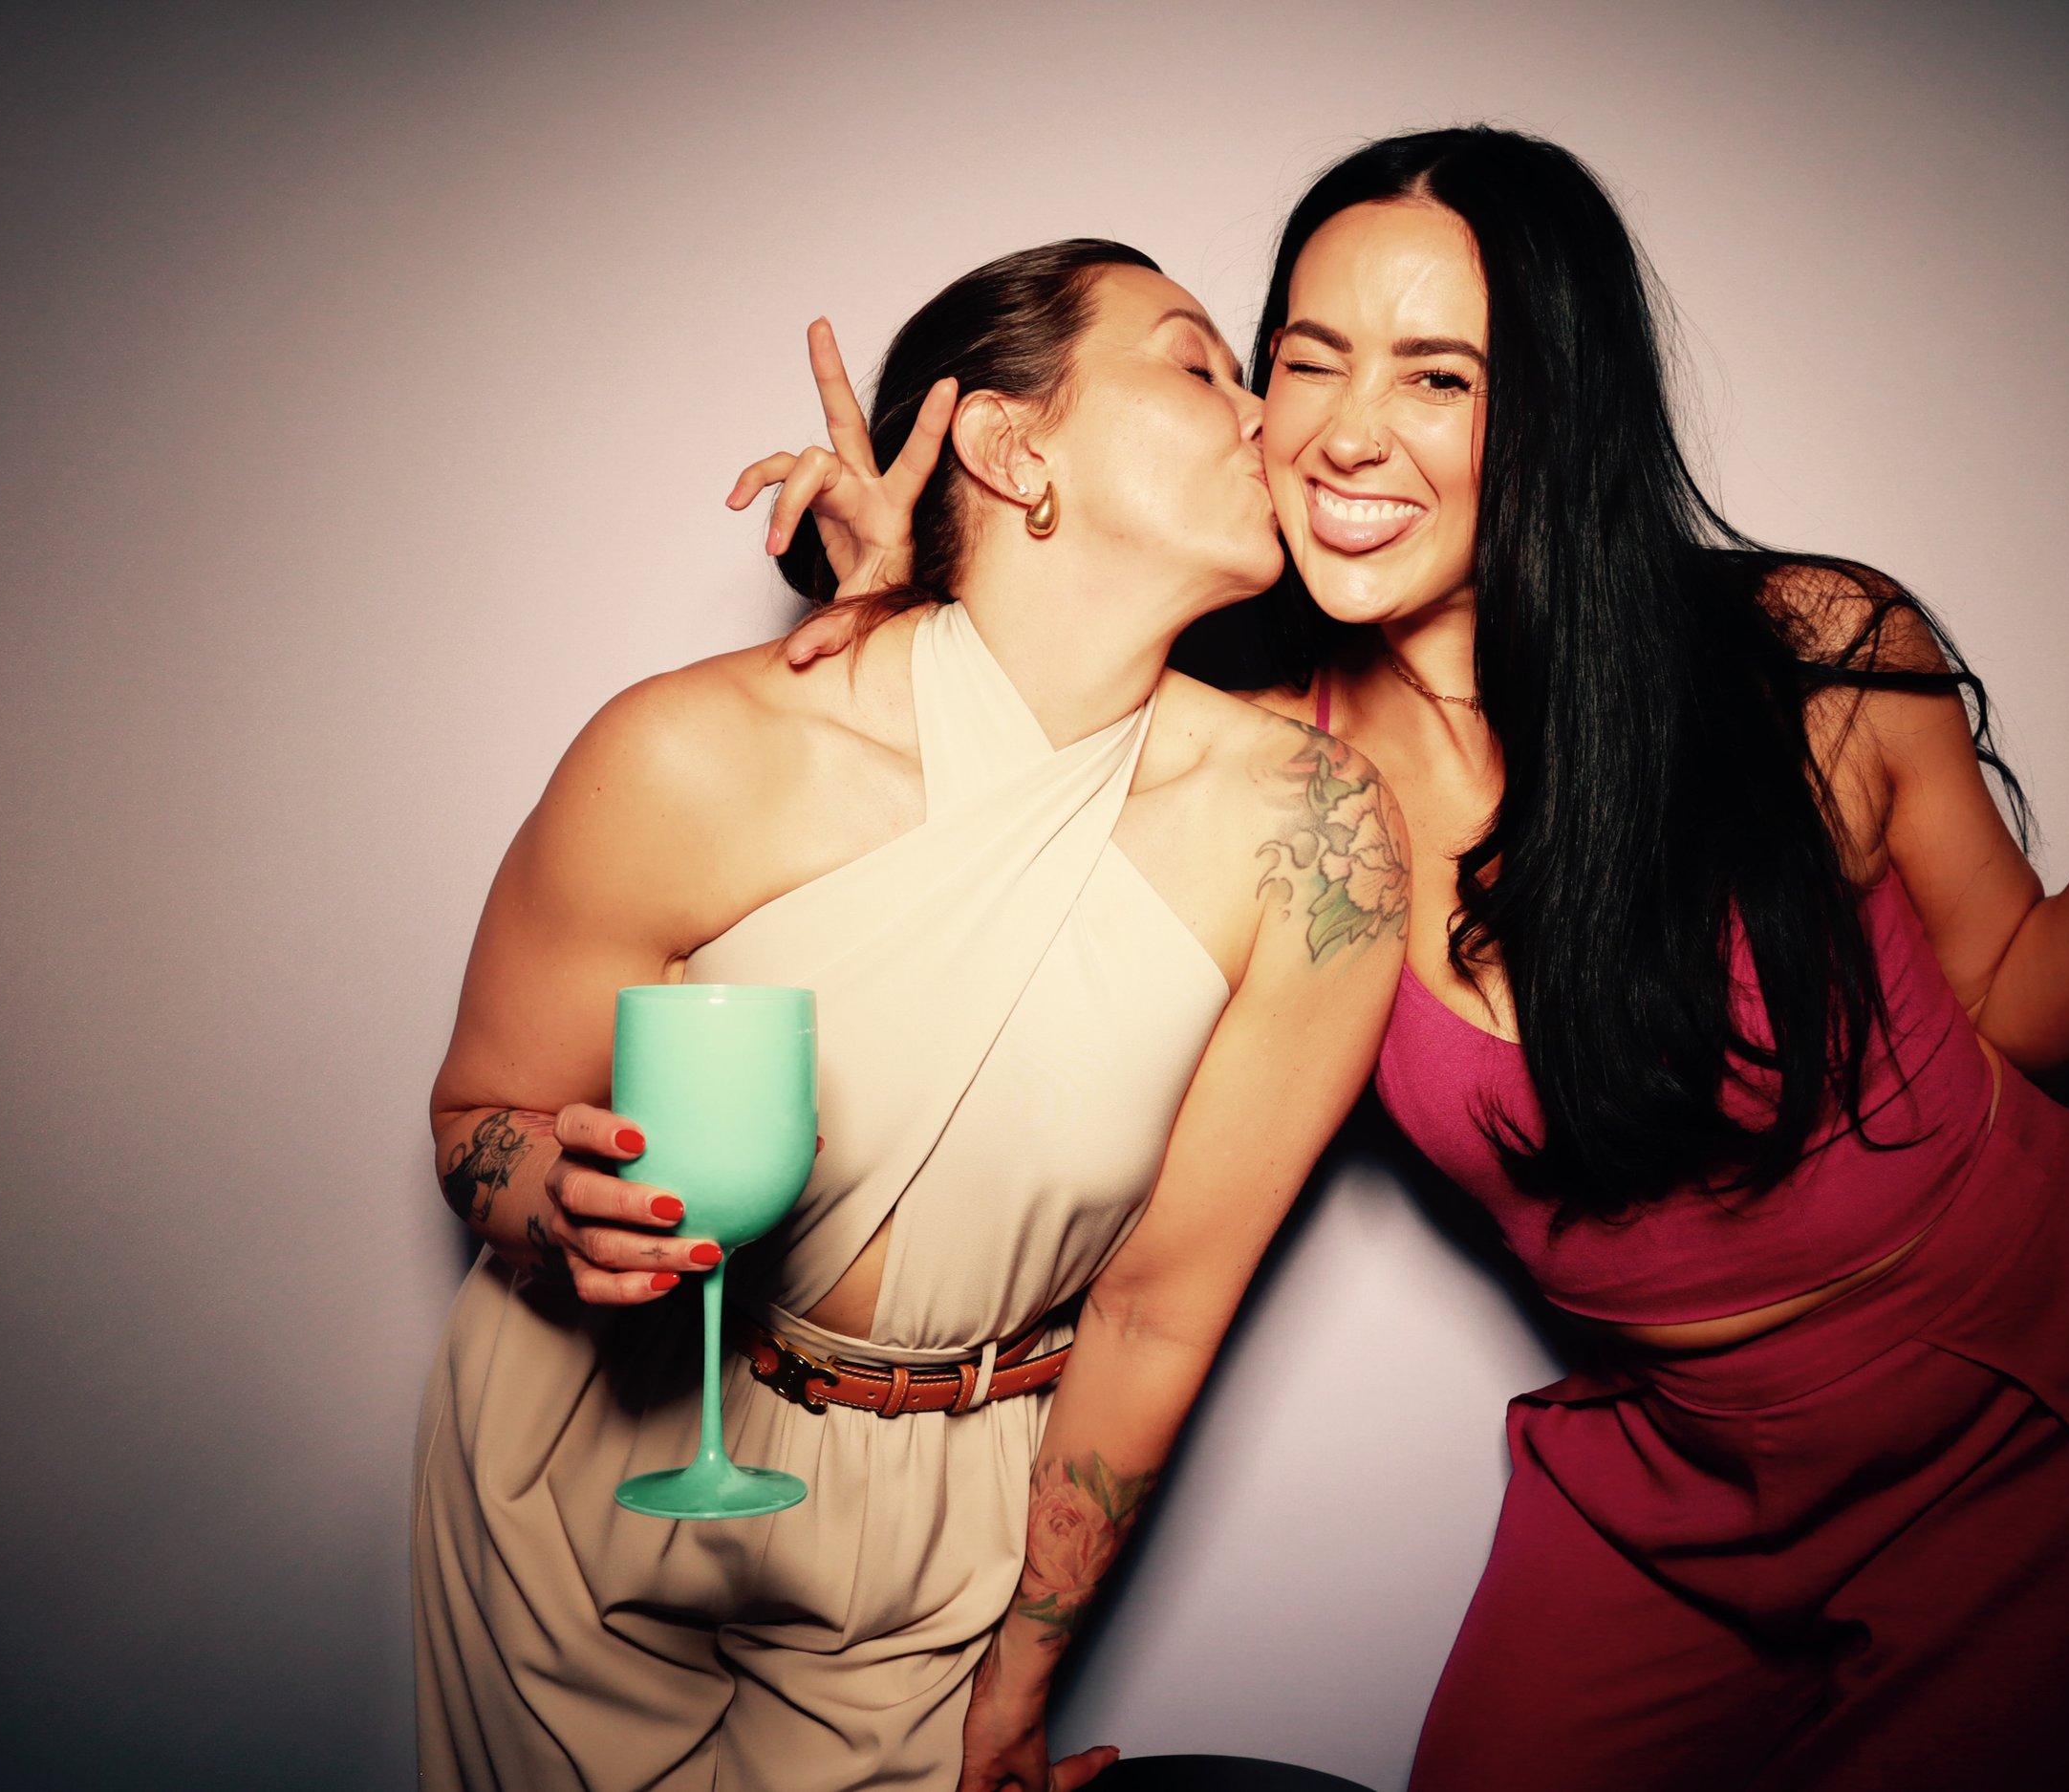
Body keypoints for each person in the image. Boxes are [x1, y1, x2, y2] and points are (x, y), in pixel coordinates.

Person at [744, 128, 2069, 1789]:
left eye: (1440, 376)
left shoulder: (1808, 656)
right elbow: (984, 810)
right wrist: (913, 577)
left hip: (2015, 1422)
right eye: (1308, 359)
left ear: (1557, 409)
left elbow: (2019, 1016)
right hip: (1676, 1464)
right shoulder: (1259, 776)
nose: (1350, 432)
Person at [414, 238, 1410, 1792]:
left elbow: (1160, 1307)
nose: (1266, 418)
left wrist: (1023, 1676)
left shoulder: (1311, 835)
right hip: (596, 1454)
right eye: (1199, 363)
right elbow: (480, 1111)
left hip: (948, 1501)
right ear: (1016, 450)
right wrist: (556, 1194)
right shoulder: (691, 751)